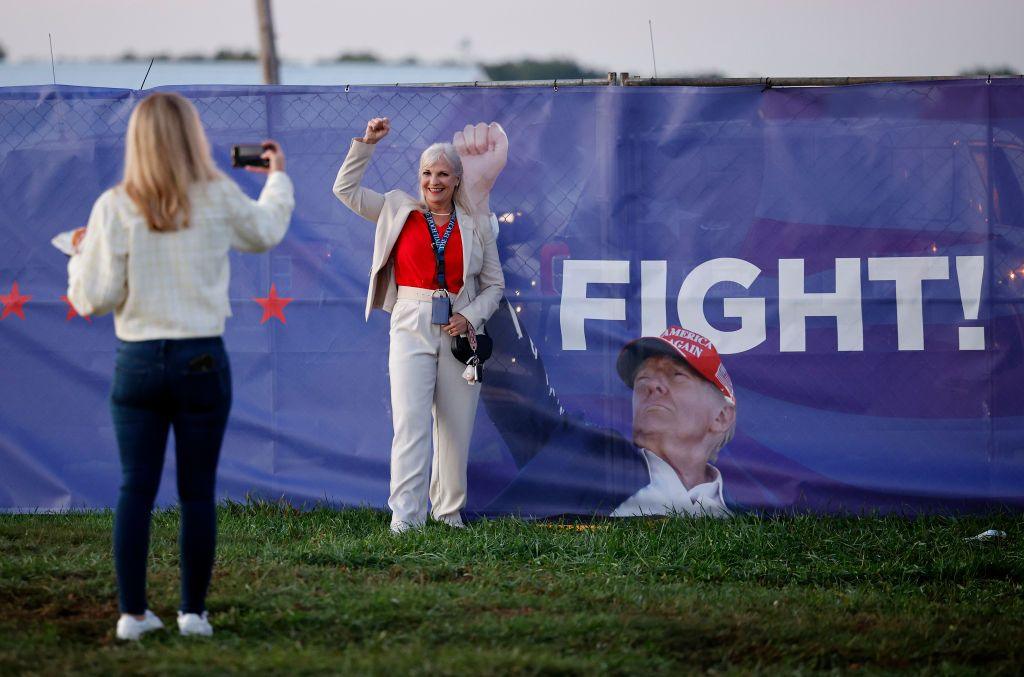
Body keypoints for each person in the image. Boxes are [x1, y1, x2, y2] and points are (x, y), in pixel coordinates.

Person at [66, 92, 294, 640]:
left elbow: (93, 298)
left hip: (139, 360)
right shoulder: (217, 194)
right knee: (198, 491)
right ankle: (193, 613)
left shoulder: (114, 205)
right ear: (193, 135)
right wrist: (277, 177)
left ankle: (133, 614)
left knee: (134, 489)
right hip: (201, 358)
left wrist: (79, 256)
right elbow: (265, 233)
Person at [332, 117, 506, 533]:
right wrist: (366, 144)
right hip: (410, 321)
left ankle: (448, 515)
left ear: (458, 179)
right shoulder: (397, 208)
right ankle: (406, 518)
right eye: (427, 173)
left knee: (455, 428)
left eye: (443, 173)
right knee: (410, 423)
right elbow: (345, 190)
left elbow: (495, 286)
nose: (434, 181)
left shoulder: (478, 224)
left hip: (462, 333)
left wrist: (471, 315)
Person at [482, 322, 738, 518]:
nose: (652, 386)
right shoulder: (591, 455)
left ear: (721, 416)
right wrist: (487, 300)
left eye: (677, 375)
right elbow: (529, 402)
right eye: (642, 380)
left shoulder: (749, 512)